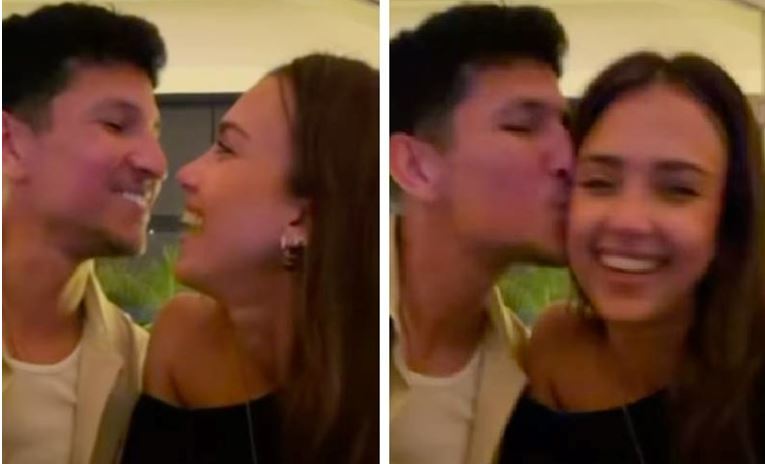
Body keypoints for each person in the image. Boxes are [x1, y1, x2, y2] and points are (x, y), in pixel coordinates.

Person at [500, 51, 765, 464]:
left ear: (731, 218)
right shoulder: (553, 349)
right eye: (599, 182)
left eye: (677, 190)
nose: (628, 221)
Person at [120, 53, 379, 464]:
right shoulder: (183, 341)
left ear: (303, 216)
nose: (184, 173)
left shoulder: (391, 383)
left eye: (226, 149)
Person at [389, 4, 573, 464]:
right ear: (415, 167)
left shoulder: (529, 371)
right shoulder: (312, 320)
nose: (569, 159)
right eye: (523, 126)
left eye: (567, 128)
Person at [2, 3, 167, 463]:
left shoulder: (141, 369)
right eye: (116, 125)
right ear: (11, 144)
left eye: (155, 133)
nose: (157, 163)